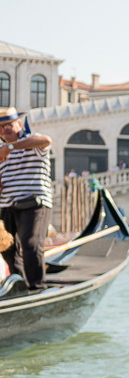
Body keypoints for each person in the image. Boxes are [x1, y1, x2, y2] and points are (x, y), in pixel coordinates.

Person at [0, 110, 56, 290]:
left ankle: (37, 287)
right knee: (6, 248)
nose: (5, 129)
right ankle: (20, 286)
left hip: (33, 202)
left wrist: (10, 147)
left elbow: (47, 140)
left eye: (9, 125)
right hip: (7, 205)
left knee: (30, 245)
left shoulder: (32, 141)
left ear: (19, 124)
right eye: (1, 127)